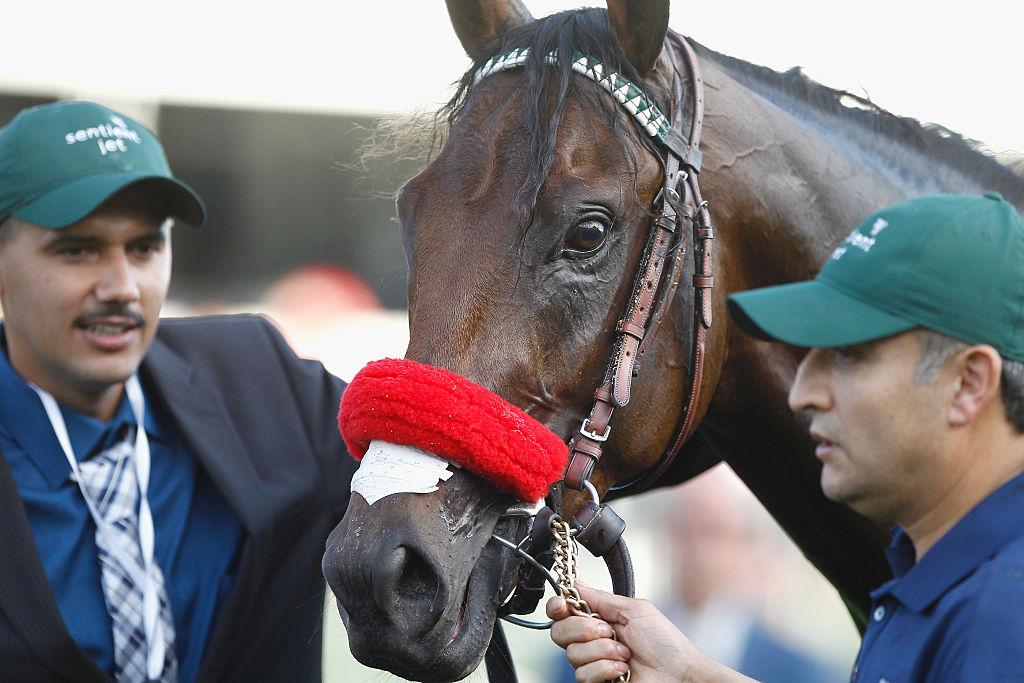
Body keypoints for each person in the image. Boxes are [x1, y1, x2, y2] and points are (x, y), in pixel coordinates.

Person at [547, 192, 1024, 682]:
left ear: (969, 384)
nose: (802, 392)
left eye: (849, 355)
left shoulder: (1002, 611)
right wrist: (689, 676)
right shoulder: (948, 573)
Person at [0, 101, 356, 682]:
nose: (122, 287)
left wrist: (558, 583)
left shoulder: (259, 380)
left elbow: (437, 480)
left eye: (144, 248)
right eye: (77, 250)